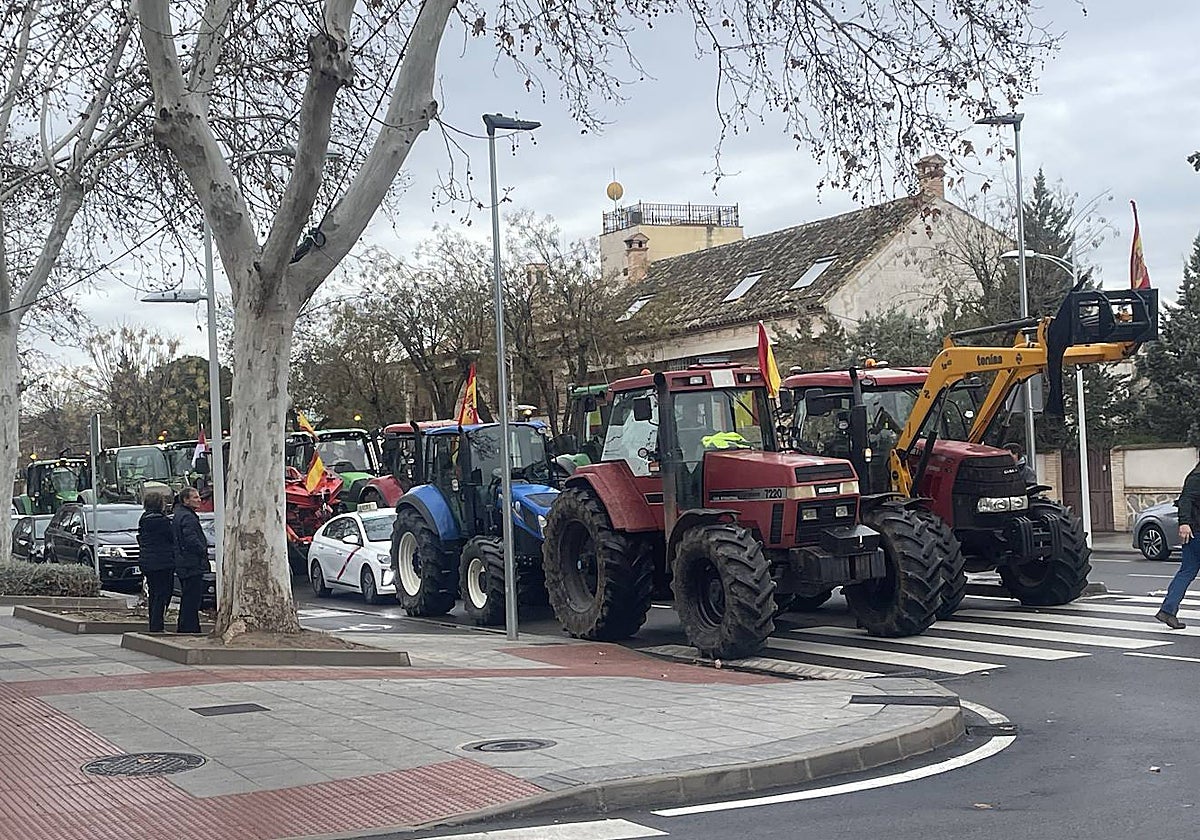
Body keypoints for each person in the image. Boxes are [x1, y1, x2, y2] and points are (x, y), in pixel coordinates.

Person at [1155, 462, 1200, 630]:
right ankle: (1167, 610)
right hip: (1196, 531)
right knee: (1186, 571)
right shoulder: (1196, 478)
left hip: (1192, 531)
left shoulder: (1194, 476)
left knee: (1187, 571)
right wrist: (1184, 523)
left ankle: (1167, 610)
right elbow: (1185, 500)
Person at [137, 489, 176, 633]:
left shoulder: (144, 519)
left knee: (154, 593)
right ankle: (157, 625)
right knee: (163, 593)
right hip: (163, 562)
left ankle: (154, 623)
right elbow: (171, 539)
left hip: (147, 561)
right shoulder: (162, 521)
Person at [172, 487, 207, 634]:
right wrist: (202, 551)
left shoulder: (180, 515)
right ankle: (190, 627)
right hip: (191, 563)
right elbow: (190, 539)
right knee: (192, 599)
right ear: (186, 500)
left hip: (184, 563)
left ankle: (185, 626)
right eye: (195, 497)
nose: (199, 500)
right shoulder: (187, 517)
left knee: (188, 597)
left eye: (198, 497)